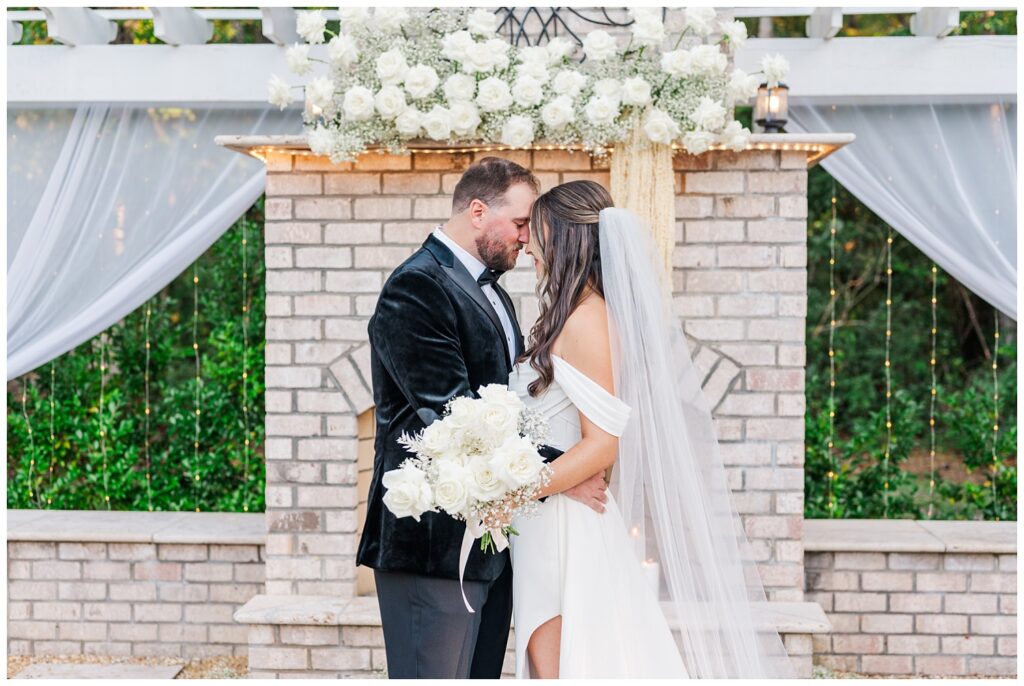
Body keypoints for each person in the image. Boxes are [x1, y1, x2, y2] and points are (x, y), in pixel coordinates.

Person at [507, 180, 798, 679]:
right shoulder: (575, 316)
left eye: (535, 234)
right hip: (549, 513)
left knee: (557, 664)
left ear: (564, 239)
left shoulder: (585, 321)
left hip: (560, 523)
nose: (528, 246)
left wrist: (511, 490)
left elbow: (602, 445)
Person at [356, 158, 608, 679]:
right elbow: (453, 417)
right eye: (520, 223)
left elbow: (511, 407)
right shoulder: (417, 286)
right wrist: (563, 473)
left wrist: (552, 478)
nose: (526, 238)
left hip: (491, 544)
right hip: (432, 545)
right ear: (477, 211)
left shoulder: (494, 291)